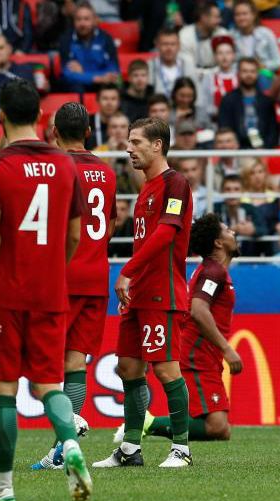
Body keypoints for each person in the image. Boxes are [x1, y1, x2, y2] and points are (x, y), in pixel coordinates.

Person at [0, 80, 91, 501]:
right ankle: (70, 443)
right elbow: (75, 235)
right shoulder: (64, 165)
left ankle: (4, 486)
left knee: (5, 390)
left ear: (0, 116)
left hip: (7, 293)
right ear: (41, 118)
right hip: (50, 291)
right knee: (49, 385)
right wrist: (54, 268)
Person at [94, 116, 194, 470]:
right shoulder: (146, 189)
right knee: (128, 367)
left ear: (158, 145)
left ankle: (181, 448)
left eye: (136, 142)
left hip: (161, 293)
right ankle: (130, 448)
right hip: (138, 294)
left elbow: (167, 235)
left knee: (167, 370)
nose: (128, 148)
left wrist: (128, 271)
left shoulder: (175, 184)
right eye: (129, 142)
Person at [31, 102, 116, 471]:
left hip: (60, 276)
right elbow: (109, 224)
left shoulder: (55, 169)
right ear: (87, 133)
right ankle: (61, 450)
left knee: (44, 366)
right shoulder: (108, 172)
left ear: (53, 133)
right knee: (76, 361)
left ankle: (66, 433)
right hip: (97, 276)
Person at [134, 214, 243, 442]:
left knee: (220, 428)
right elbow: (198, 310)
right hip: (196, 356)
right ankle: (148, 423)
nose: (233, 233)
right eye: (227, 230)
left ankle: (151, 424)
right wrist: (227, 349)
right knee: (217, 427)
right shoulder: (214, 272)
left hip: (204, 356)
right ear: (218, 242)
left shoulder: (211, 270)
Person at [58, 2, 119, 93]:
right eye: (78, 19)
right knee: (73, 86)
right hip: (77, 87)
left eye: (86, 19)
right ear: (74, 21)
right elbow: (67, 73)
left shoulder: (106, 38)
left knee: (113, 86)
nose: (82, 23)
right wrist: (97, 78)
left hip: (102, 85)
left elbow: (113, 71)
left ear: (95, 20)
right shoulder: (66, 39)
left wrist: (84, 72)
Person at [219, 58, 278, 150]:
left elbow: (272, 130)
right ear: (238, 73)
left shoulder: (266, 101)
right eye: (245, 71)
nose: (249, 75)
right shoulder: (228, 100)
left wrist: (265, 149)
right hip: (235, 151)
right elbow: (224, 127)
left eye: (252, 71)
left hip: (264, 151)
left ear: (257, 74)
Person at [214, 175, 265, 256]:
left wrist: (253, 230)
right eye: (228, 189)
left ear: (242, 192)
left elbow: (264, 229)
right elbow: (208, 232)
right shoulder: (215, 208)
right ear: (222, 192)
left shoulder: (250, 209)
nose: (232, 193)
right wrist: (233, 230)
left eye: (236, 189)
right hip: (221, 257)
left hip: (247, 259)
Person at [231, 0, 280, 74]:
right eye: (237, 15)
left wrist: (262, 66)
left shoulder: (266, 34)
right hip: (240, 76)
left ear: (253, 15)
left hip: (262, 73)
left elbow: (278, 62)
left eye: (245, 14)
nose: (241, 18)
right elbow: (229, 63)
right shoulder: (231, 36)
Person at [149, 27, 199, 97]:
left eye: (173, 44)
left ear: (179, 46)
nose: (169, 48)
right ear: (157, 45)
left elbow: (196, 92)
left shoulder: (188, 65)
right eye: (165, 44)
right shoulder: (149, 66)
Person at [179, 1, 229, 69]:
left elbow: (226, 64)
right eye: (216, 17)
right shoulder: (184, 35)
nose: (219, 21)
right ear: (203, 17)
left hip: (217, 76)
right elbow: (187, 66)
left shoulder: (223, 34)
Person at [200, 35, 238, 121]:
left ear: (233, 55)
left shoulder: (240, 75)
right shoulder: (209, 77)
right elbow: (204, 103)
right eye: (220, 53)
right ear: (215, 56)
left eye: (228, 53)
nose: (224, 57)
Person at [86, 83, 120, 150]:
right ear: (97, 101)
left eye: (113, 99)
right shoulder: (87, 123)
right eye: (105, 98)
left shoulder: (126, 123)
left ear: (119, 102)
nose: (109, 103)